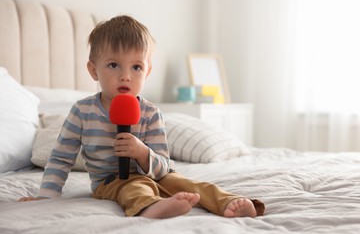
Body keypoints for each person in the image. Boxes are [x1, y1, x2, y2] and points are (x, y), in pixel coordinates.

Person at [19, 15, 265, 219]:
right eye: (114, 65)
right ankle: (149, 207)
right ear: (94, 70)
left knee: (189, 184)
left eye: (136, 67)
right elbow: (61, 158)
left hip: (153, 173)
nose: (126, 76)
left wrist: (141, 152)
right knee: (134, 187)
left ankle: (230, 203)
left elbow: (163, 167)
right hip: (111, 181)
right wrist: (45, 197)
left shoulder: (150, 113)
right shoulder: (82, 112)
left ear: (147, 71)